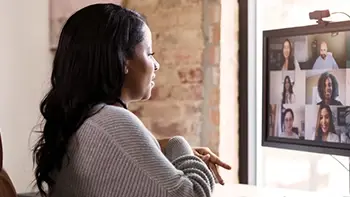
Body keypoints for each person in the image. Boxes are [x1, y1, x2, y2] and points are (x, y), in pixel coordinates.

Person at [32, 4, 231, 197]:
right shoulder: (111, 119)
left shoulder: (82, 120)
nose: (156, 65)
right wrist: (177, 145)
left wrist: (161, 150)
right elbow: (192, 194)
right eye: (149, 53)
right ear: (123, 60)